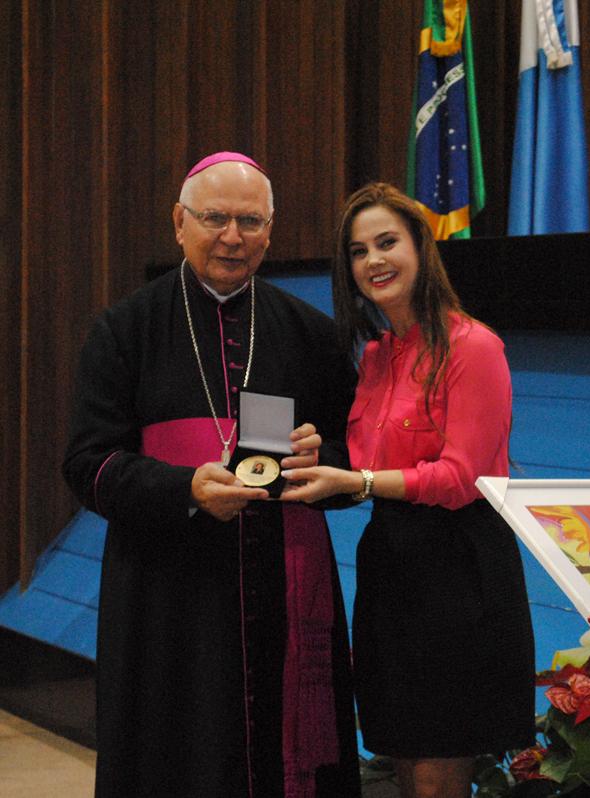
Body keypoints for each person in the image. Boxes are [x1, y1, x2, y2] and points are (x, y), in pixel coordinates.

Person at [62, 152, 362, 797]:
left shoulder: (311, 335)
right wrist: (184, 490)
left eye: (250, 222)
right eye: (214, 218)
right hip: (164, 594)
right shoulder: (124, 330)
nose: (233, 236)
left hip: (282, 583)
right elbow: (88, 464)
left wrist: (324, 461)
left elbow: (355, 459)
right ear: (179, 222)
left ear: (270, 231)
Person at [281, 182, 535, 798]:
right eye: (359, 251)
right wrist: (319, 456)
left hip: (459, 575)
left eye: (387, 242)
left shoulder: (475, 346)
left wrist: (359, 480)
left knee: (437, 777)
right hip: (391, 571)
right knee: (402, 762)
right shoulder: (376, 355)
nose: (374, 260)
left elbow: (461, 477)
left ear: (422, 247)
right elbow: (365, 459)